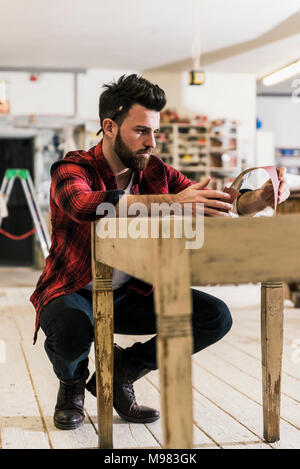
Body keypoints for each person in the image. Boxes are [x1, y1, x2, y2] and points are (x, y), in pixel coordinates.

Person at [30, 74, 290, 430]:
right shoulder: (72, 168)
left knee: (214, 316)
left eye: (155, 132)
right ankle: (72, 386)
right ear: (109, 126)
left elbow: (216, 205)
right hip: (74, 290)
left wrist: (256, 199)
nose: (151, 142)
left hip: (129, 293)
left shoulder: (156, 172)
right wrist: (171, 203)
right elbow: (82, 204)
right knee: (73, 327)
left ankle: (126, 368)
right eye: (141, 131)